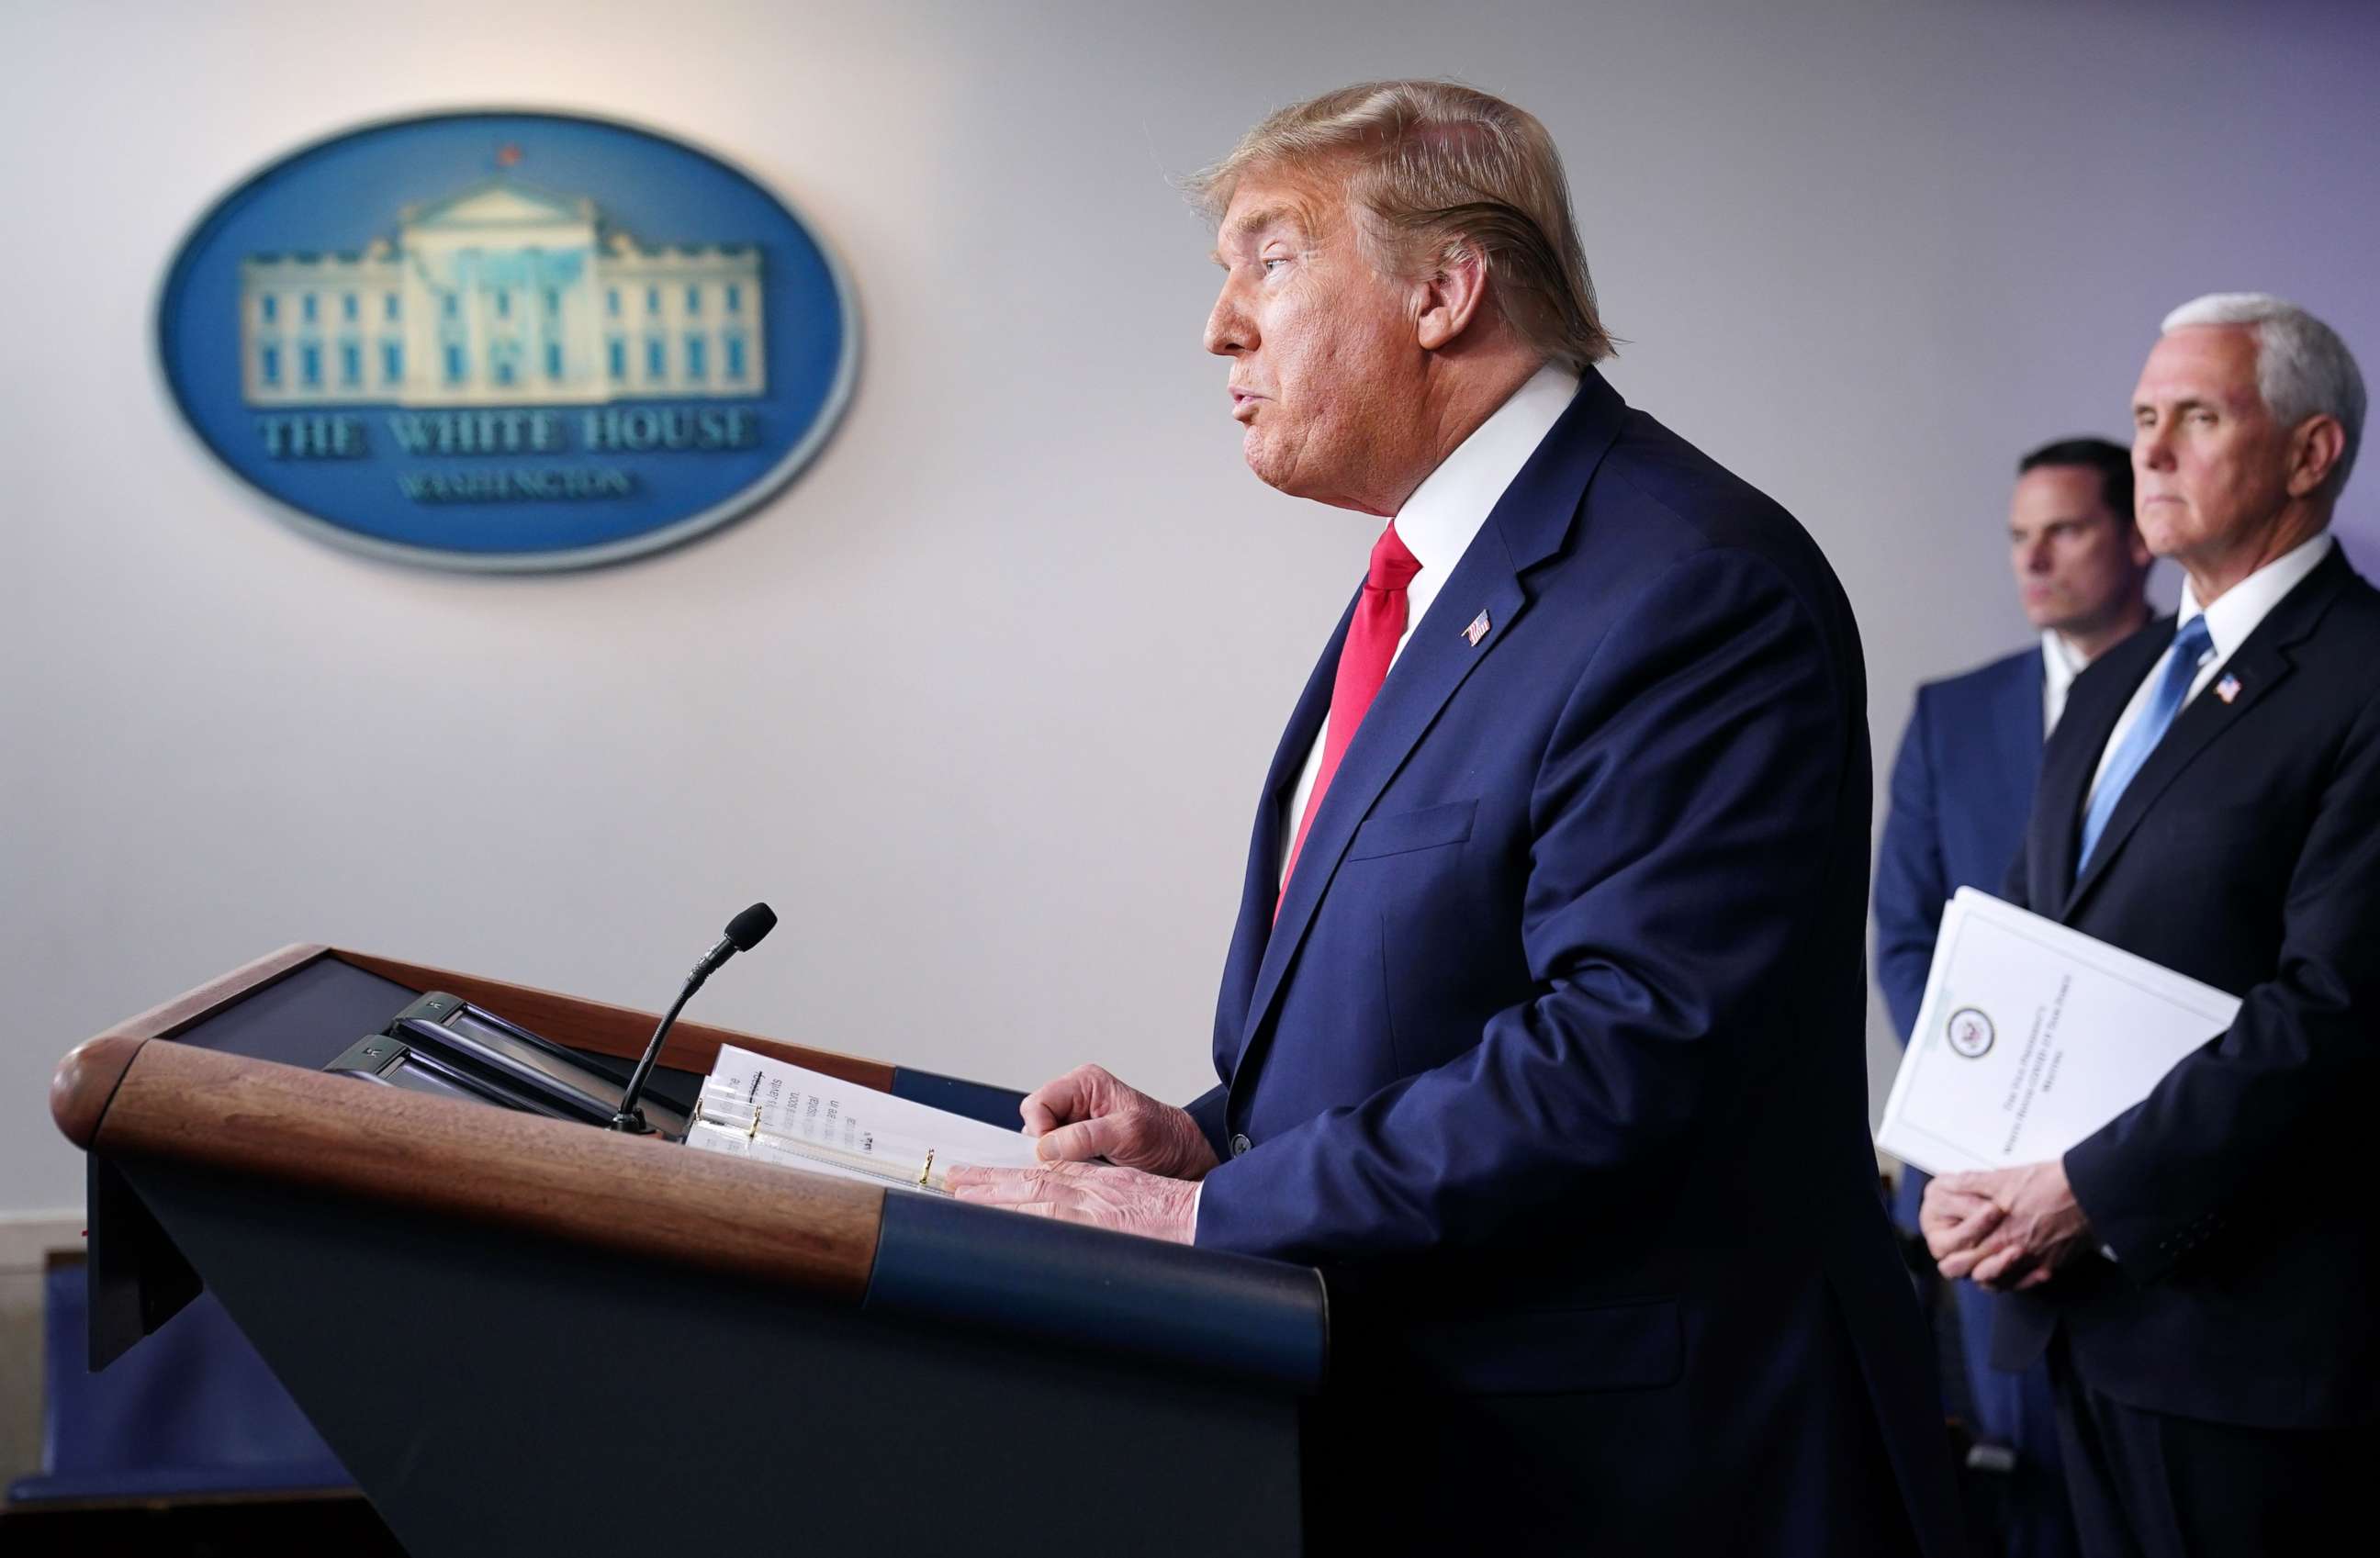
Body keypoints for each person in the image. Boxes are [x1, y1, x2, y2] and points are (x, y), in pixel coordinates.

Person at [945, 81, 1962, 1552]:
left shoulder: (1690, 581)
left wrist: (1216, 1220)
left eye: (1270, 260)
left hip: (1640, 1473)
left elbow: (1628, 1045)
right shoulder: (1437, 582)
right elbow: (1441, 1004)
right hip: (1444, 1438)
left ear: (1444, 287)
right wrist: (1216, 1146)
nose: (1219, 326)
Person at [1921, 294, 2379, 1557]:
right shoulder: (2117, 678)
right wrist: (1969, 1167)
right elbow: (2030, 944)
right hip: (2075, 1316)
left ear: (2309, 451)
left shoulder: (2365, 675)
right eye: (2141, 420)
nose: (2155, 453)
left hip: (2254, 1347)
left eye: (2199, 416)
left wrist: (2081, 1188)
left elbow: (2333, 1010)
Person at [1876, 438, 2150, 1557]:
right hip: (1979, 1185)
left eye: (2067, 529)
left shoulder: (2207, 690)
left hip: (2154, 1178)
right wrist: (1983, 1124)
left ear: (2139, 538)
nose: (2033, 558)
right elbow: (1904, 938)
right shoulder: (1953, 713)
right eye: (2018, 535)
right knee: (2016, 1490)